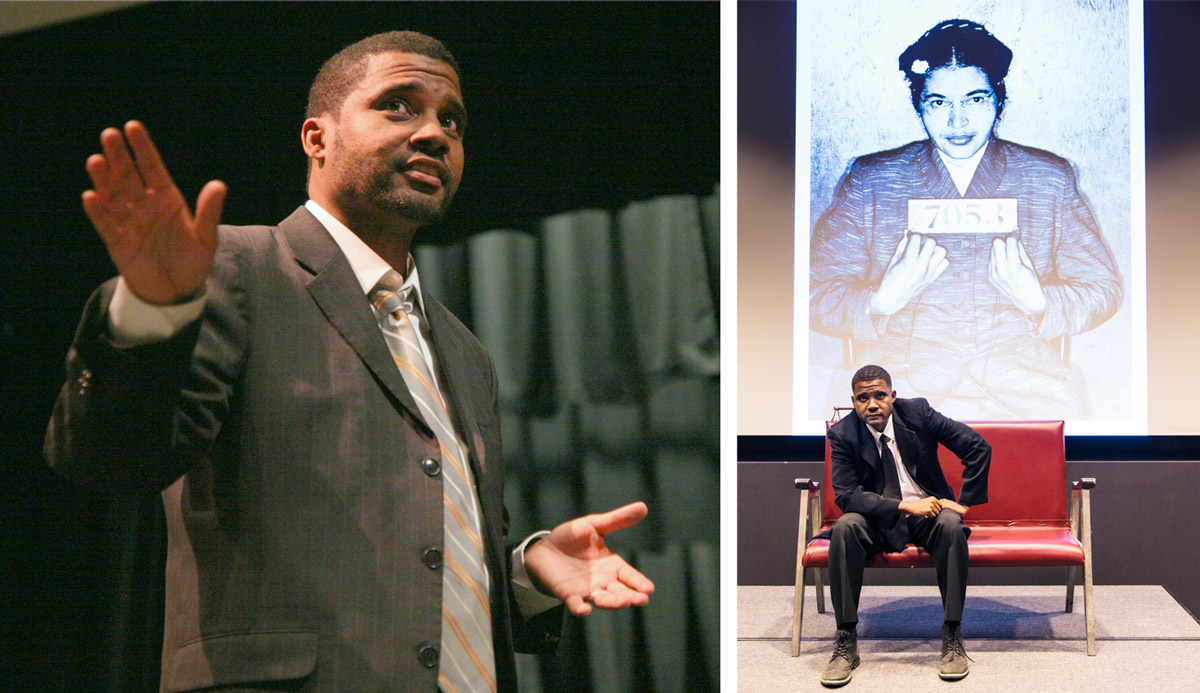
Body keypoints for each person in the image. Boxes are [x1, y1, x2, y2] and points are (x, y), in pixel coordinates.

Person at [44, 31, 654, 692]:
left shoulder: (466, 352)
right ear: (317, 137)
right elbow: (112, 455)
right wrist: (153, 312)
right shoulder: (237, 267)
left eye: (452, 120)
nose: (434, 133)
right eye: (399, 106)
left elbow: (413, 583)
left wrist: (523, 573)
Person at [809, 19, 1123, 419]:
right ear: (919, 105)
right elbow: (812, 295)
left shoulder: (1048, 179)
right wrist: (881, 301)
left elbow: (1103, 288)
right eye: (939, 102)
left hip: (1026, 392)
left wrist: (1039, 301)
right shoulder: (871, 180)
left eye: (975, 100)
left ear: (998, 100)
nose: (957, 122)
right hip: (902, 396)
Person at [819, 364, 990, 687]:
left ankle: (952, 633)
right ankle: (846, 639)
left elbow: (977, 447)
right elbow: (847, 496)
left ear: (893, 396)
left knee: (952, 524)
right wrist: (903, 505)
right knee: (844, 528)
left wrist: (965, 502)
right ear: (854, 402)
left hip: (929, 514)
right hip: (879, 520)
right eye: (863, 398)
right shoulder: (842, 434)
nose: (872, 404)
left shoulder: (918, 414)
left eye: (880, 395)